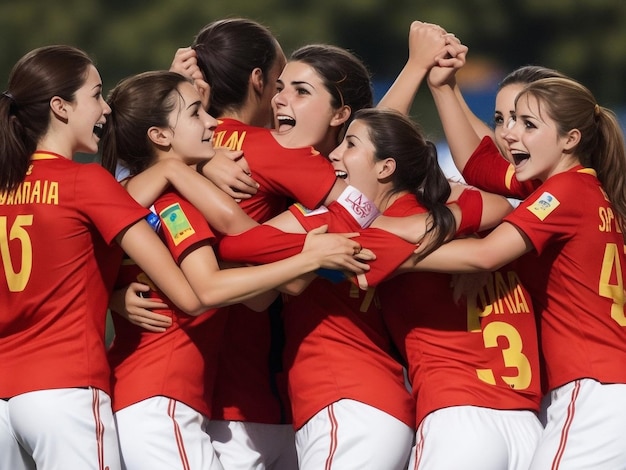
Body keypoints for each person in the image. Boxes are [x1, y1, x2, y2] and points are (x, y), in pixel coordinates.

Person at [99, 69, 375, 470]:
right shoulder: (173, 203)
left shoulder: (144, 192)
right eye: (196, 113)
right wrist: (311, 254)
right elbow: (207, 289)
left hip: (163, 397)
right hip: (160, 399)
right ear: (159, 136)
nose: (213, 122)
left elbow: (261, 295)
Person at [217, 106, 516, 469]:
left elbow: (244, 250)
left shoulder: (340, 223)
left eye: (350, 145)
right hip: (394, 406)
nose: (334, 154)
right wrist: (438, 227)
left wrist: (187, 171)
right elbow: (493, 205)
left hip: (353, 403)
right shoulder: (409, 213)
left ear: (386, 168)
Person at [0, 44, 242, 470]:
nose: (106, 109)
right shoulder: (86, 181)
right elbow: (190, 296)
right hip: (65, 388)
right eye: (96, 95)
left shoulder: (6, 187)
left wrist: (110, 295)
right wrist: (173, 168)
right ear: (60, 106)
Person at [411, 76, 626, 469]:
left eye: (528, 124)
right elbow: (481, 166)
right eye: (506, 121)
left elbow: (484, 256)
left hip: (594, 387)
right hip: (604, 386)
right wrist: (445, 87)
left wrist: (392, 255)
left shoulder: (561, 192)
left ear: (570, 139)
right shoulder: (581, 188)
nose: (510, 135)